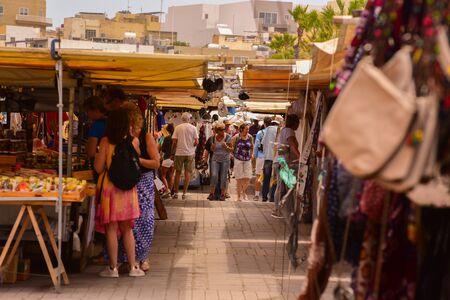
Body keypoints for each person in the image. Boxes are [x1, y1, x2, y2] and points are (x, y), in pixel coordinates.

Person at [94, 108, 144, 278]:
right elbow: (136, 162)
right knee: (127, 230)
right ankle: (132, 267)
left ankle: (113, 268)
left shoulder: (106, 141)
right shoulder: (134, 141)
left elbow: (98, 168)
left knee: (111, 230)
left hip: (110, 190)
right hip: (128, 191)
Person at [117, 102, 160, 272]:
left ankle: (143, 257)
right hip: (122, 181)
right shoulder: (117, 136)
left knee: (143, 220)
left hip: (142, 181)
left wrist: (135, 160)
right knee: (123, 221)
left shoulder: (145, 136)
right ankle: (123, 257)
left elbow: (156, 163)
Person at [272, 114, 300, 218]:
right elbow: (292, 145)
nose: (298, 125)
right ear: (294, 123)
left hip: (280, 161)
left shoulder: (284, 130)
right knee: (282, 188)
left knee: (282, 187)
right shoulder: (289, 131)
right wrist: (300, 157)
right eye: (298, 123)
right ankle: (278, 210)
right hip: (283, 162)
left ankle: (279, 209)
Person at [171, 112, 199, 200]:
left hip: (179, 153)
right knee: (187, 173)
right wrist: (192, 146)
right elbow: (196, 141)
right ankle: (184, 194)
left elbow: (174, 142)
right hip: (190, 153)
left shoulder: (177, 128)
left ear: (182, 119)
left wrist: (172, 152)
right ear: (189, 119)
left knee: (177, 173)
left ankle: (176, 193)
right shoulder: (193, 128)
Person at [205, 122, 232, 201]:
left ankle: (223, 194)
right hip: (215, 159)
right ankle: (211, 193)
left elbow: (232, 150)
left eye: (224, 129)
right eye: (221, 130)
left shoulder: (228, 137)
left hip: (225, 160)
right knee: (214, 175)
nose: (223, 131)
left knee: (223, 177)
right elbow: (209, 150)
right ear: (217, 131)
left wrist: (226, 147)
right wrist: (212, 148)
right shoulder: (213, 138)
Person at [231, 123, 254, 201]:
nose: (248, 130)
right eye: (246, 129)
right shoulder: (236, 137)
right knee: (239, 178)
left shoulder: (250, 137)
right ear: (241, 129)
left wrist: (252, 154)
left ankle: (243, 192)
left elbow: (252, 147)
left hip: (247, 159)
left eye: (248, 129)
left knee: (247, 178)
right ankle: (238, 196)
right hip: (238, 159)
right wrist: (233, 155)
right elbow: (232, 147)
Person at [261, 117, 279, 202]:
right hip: (276, 157)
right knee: (275, 178)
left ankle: (264, 196)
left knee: (267, 178)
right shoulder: (279, 130)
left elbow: (263, 143)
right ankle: (272, 198)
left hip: (268, 157)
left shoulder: (267, 130)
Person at [159, 124, 175, 198]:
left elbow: (163, 149)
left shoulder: (167, 138)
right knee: (171, 175)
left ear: (168, 130)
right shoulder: (175, 138)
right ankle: (170, 191)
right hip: (174, 159)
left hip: (167, 158)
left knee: (163, 175)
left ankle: (167, 190)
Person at [253, 125, 265, 201]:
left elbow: (257, 145)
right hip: (270, 157)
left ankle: (257, 195)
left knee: (258, 176)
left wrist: (255, 156)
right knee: (269, 177)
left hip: (260, 156)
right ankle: (266, 195)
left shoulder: (260, 132)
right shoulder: (275, 132)